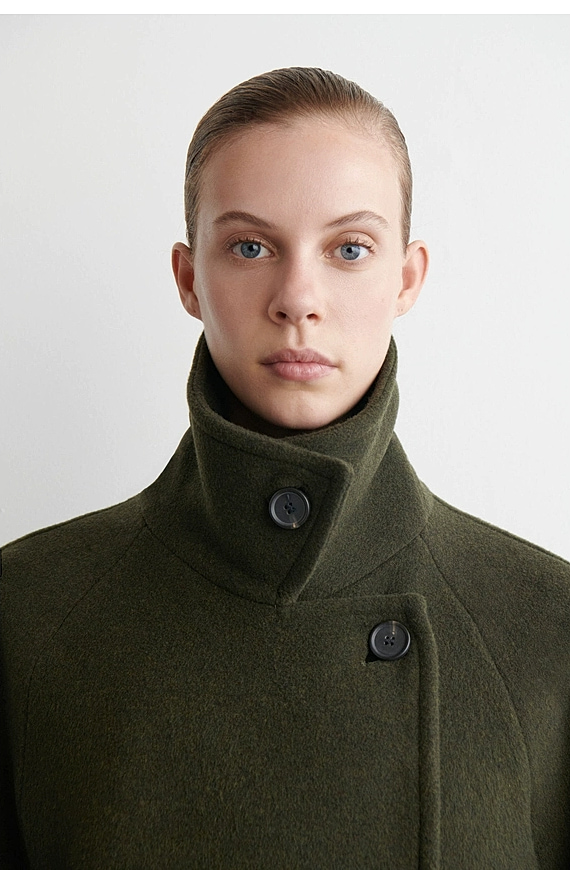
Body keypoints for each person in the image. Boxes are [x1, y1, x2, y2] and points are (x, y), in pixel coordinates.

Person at [1, 67, 569, 869]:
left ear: (406, 278)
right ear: (189, 278)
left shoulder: (545, 626)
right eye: (251, 246)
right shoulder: (28, 614)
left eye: (349, 249)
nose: (298, 297)